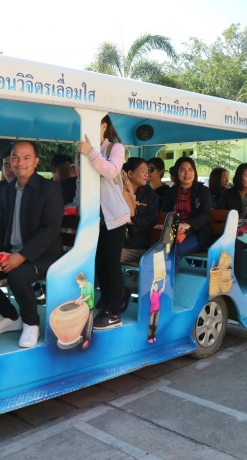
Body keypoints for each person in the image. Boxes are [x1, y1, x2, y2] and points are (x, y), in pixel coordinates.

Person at [0, 141, 63, 348]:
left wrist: (22, 256)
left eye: (26, 158)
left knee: (18, 277)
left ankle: (31, 323)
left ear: (36, 161)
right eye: (15, 158)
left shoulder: (49, 189)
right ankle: (10, 317)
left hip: (43, 254)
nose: (20, 163)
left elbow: (50, 229)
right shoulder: (7, 190)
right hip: (11, 252)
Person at [78, 115, 132, 330]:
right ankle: (110, 299)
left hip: (114, 216)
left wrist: (91, 152)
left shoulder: (115, 148)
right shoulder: (84, 149)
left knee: (111, 263)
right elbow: (81, 182)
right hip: (93, 216)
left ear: (104, 126)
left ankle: (114, 312)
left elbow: (111, 171)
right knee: (99, 262)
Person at [161, 156, 212, 270]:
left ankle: (168, 281)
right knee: (156, 246)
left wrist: (188, 224)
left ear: (194, 172)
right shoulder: (171, 192)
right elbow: (164, 212)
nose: (187, 173)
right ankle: (156, 279)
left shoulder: (203, 191)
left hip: (197, 233)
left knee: (176, 250)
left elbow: (206, 213)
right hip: (174, 232)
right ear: (177, 172)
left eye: (190, 169)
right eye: (183, 170)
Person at [120, 158, 159, 264]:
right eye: (143, 171)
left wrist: (129, 220)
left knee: (109, 258)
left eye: (148, 171)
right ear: (130, 174)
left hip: (136, 246)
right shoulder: (118, 191)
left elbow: (151, 219)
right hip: (116, 241)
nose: (147, 174)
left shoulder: (150, 195)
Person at [147, 278, 165, 343]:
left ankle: (154, 336)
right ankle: (150, 338)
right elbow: (151, 288)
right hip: (152, 311)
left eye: (157, 286)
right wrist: (153, 282)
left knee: (155, 324)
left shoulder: (158, 293)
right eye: (155, 286)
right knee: (151, 324)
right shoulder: (151, 293)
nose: (156, 287)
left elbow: (163, 288)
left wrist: (164, 280)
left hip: (158, 310)